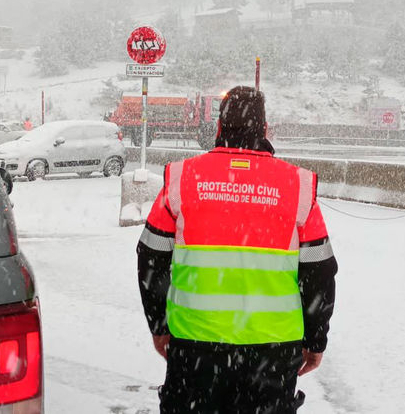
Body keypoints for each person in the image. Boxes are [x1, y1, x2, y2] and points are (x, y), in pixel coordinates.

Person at [137, 86, 337, 413]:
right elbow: (320, 270)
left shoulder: (183, 179)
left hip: (195, 347)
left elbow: (150, 254)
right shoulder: (296, 186)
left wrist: (159, 325)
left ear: (218, 128)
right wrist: (315, 340)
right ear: (265, 129)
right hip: (272, 350)